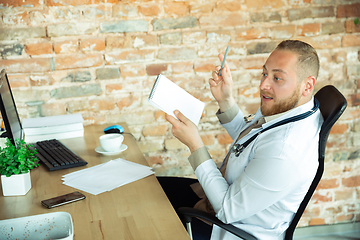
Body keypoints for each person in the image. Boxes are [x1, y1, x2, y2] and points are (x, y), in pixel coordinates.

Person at [157, 40, 324, 240]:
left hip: (228, 228)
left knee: (146, 217)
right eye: (265, 73)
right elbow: (250, 142)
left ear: (308, 85)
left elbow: (227, 210)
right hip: (215, 200)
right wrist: (225, 100)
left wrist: (194, 145)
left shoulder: (285, 150)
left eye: (277, 78)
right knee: (150, 188)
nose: (263, 85)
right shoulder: (292, 110)